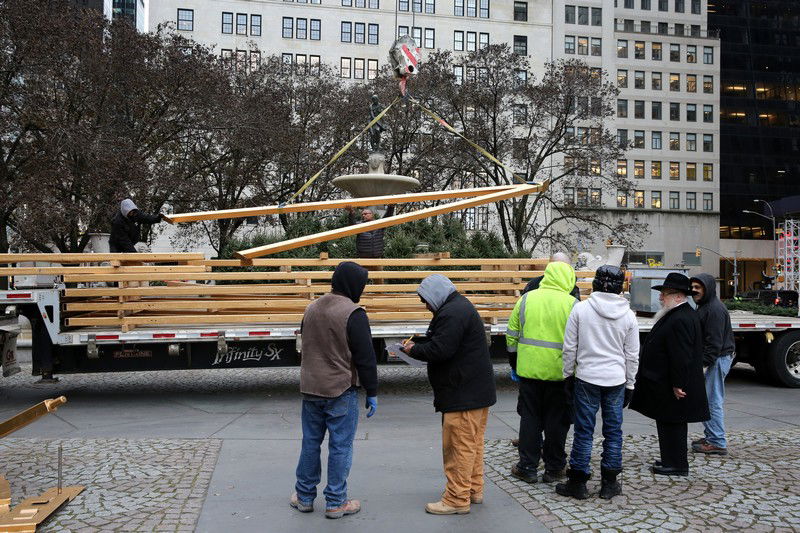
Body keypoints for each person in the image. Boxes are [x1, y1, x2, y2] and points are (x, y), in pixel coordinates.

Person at [401, 274, 497, 515]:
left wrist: (414, 349)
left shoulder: (452, 312)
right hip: (473, 391)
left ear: (435, 295)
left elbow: (441, 349)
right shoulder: (457, 307)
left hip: (463, 393)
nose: (426, 305)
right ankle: (472, 489)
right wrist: (420, 343)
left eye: (425, 300)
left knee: (458, 448)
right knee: (472, 445)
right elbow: (444, 340)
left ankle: (456, 499)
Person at [290, 261, 378, 519]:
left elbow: (307, 344)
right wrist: (372, 391)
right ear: (354, 285)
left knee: (310, 443)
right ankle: (336, 502)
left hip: (311, 388)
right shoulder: (354, 313)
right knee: (340, 446)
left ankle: (304, 497)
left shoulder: (311, 308)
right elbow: (366, 357)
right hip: (341, 390)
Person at [557, 265, 640, 500]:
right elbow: (632, 355)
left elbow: (569, 347)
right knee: (613, 431)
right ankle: (610, 483)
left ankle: (578, 482)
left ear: (595, 283)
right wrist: (630, 384)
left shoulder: (581, 310)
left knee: (584, 431)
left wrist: (567, 375)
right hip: (615, 379)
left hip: (586, 377)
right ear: (620, 286)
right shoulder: (628, 316)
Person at [630, 273, 709, 476]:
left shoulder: (681, 317)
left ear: (679, 296)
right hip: (665, 382)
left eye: (665, 294)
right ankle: (670, 459)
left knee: (672, 423)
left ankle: (676, 464)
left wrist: (678, 383)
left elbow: (680, 355)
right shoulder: (677, 314)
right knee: (667, 422)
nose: (661, 298)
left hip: (672, 384)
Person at [506, 262, 577, 484]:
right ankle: (554, 468)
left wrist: (515, 364)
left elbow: (511, 336)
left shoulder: (526, 299)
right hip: (560, 375)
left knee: (530, 420)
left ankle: (527, 467)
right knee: (557, 422)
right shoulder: (573, 304)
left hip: (529, 372)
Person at [690, 274, 735, 456]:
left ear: (707, 289)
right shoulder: (705, 306)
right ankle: (711, 436)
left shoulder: (714, 310)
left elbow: (714, 343)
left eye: (698, 288)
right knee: (709, 399)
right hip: (717, 358)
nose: (694, 290)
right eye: (692, 287)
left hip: (718, 359)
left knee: (712, 401)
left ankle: (717, 441)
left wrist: (702, 366)